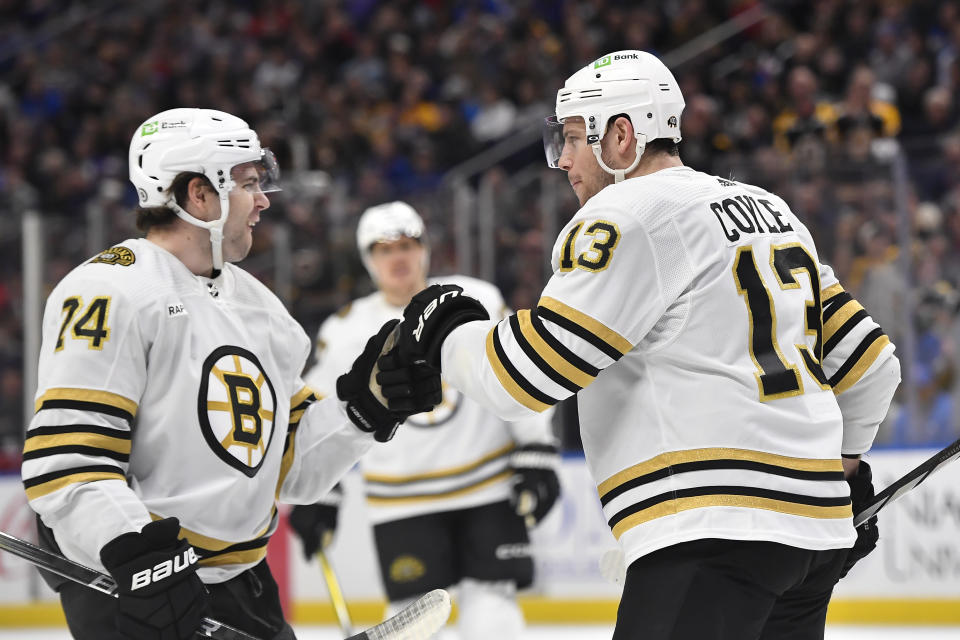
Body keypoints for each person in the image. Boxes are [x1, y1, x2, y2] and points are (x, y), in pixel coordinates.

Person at [382, 51, 902, 639]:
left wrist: (445, 333)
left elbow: (527, 376)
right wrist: (844, 471)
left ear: (621, 136)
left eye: (574, 139)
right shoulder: (773, 211)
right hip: (810, 540)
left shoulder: (629, 212)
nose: (565, 161)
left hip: (710, 529)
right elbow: (873, 365)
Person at [21, 108, 440, 640]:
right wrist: (139, 553)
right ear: (198, 194)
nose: (263, 200)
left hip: (242, 582)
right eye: (247, 183)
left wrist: (365, 407)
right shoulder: (110, 291)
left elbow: (291, 468)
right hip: (134, 588)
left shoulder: (259, 307)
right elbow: (67, 462)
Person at [288, 201, 560, 640]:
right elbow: (321, 415)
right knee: (413, 624)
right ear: (367, 258)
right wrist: (320, 495)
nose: (398, 257)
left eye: (408, 244)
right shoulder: (343, 331)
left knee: (493, 613)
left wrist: (537, 447)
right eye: (383, 248)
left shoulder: (474, 299)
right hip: (400, 502)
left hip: (487, 487)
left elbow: (514, 377)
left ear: (425, 248)